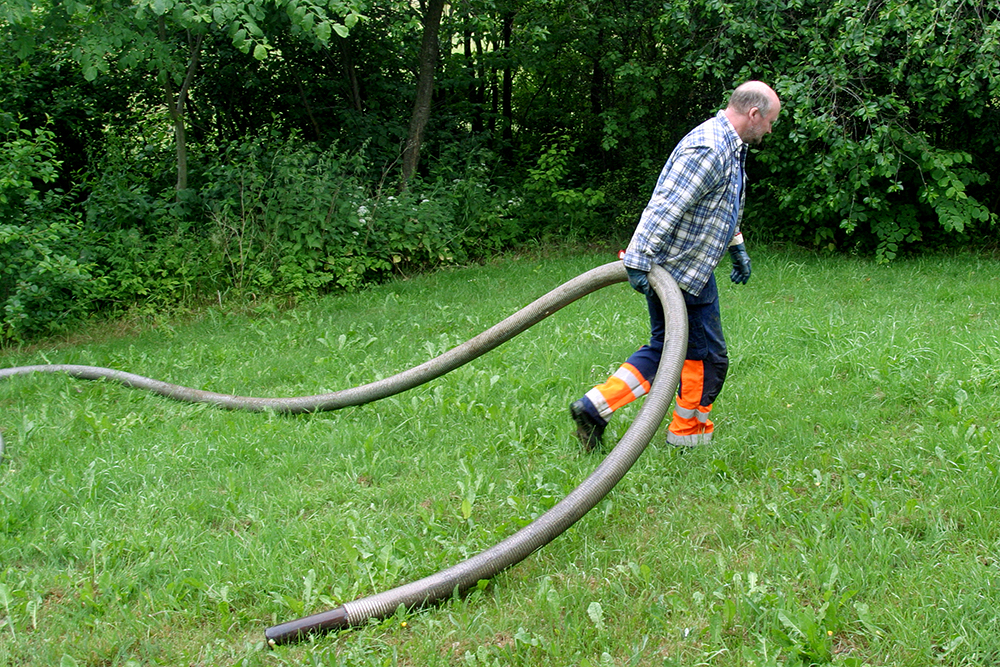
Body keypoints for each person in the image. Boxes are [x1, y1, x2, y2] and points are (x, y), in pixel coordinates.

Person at [570, 80, 781, 450]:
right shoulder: (710, 147)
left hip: (693, 270)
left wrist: (737, 247)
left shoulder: (730, 146)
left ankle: (595, 407)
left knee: (667, 348)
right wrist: (637, 261)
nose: (769, 130)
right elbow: (667, 206)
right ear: (754, 114)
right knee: (703, 359)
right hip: (679, 274)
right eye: (770, 122)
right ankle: (687, 436)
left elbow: (719, 206)